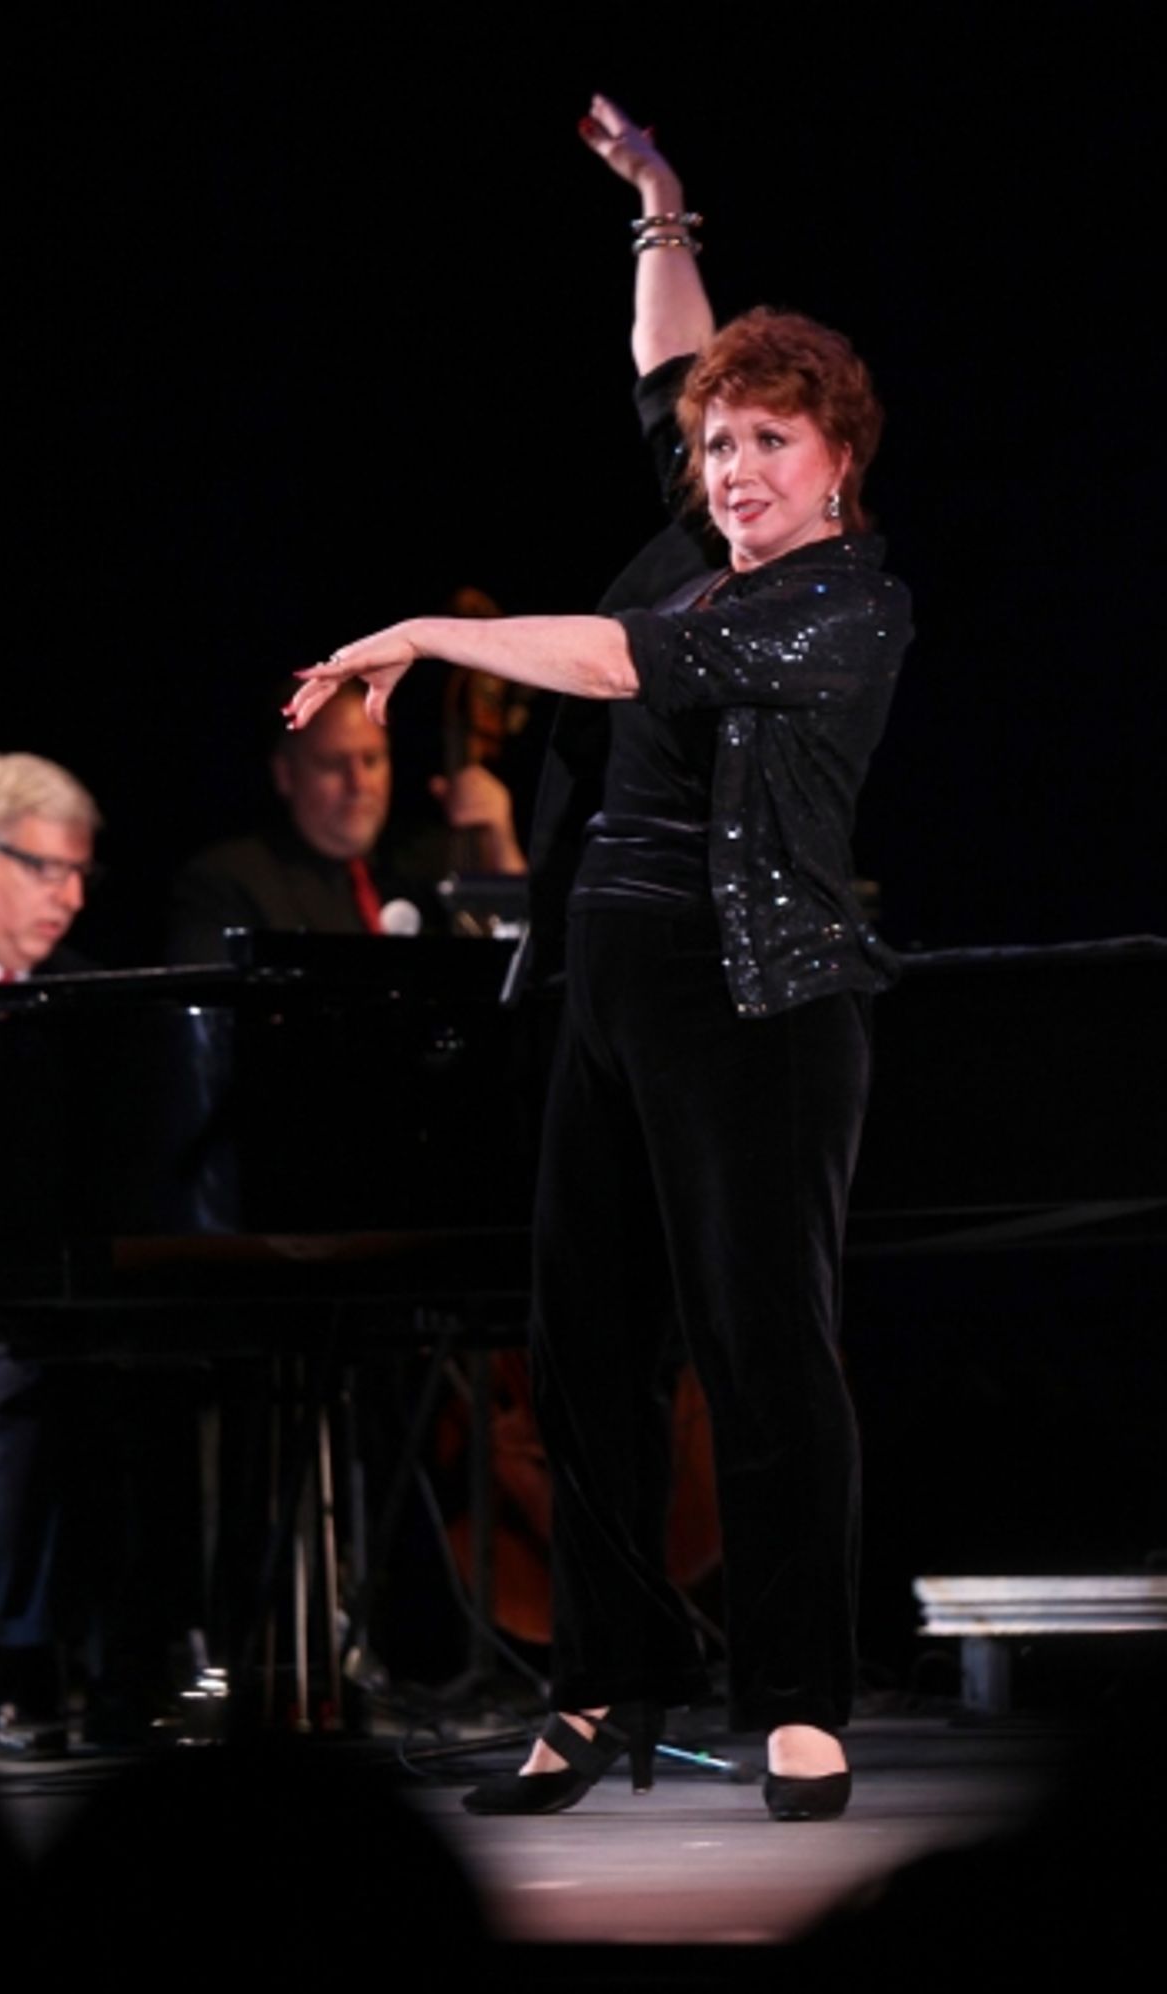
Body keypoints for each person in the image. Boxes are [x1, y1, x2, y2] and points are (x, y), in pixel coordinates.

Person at [284, 96, 913, 1821]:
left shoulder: (843, 599)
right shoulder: (694, 542)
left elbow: (624, 668)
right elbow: (676, 367)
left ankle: (796, 1689)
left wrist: (428, 629)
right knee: (585, 1354)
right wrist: (662, 205)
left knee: (764, 1347)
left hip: (758, 1000)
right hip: (604, 992)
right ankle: (605, 1680)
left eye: (768, 444)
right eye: (719, 451)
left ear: (838, 459)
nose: (731, 470)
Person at [0, 752, 101, 1755]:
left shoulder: (77, 1003)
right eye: (48, 868)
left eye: (79, 871)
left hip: (18, 1293)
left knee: (41, 1384)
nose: (73, 895)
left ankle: (34, 1664)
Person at [169, 682, 524, 961]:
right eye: (332, 764)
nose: (359, 785)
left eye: (371, 760)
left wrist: (501, 841)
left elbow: (526, 963)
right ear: (285, 774)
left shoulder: (430, 863)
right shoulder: (229, 883)